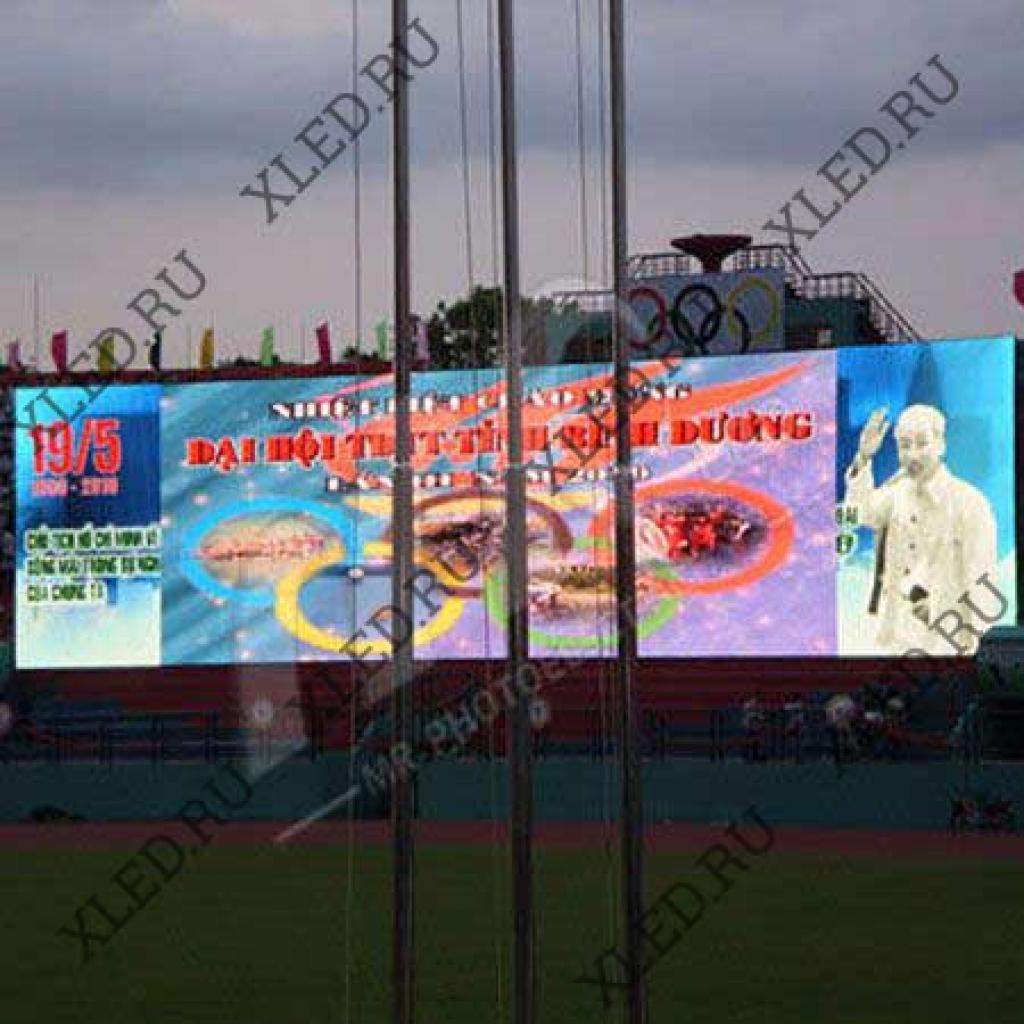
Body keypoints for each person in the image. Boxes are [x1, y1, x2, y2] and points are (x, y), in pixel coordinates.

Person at [844, 404, 998, 655]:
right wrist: (863, 457)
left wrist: (941, 611)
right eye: (904, 446)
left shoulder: (970, 504)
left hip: (945, 646)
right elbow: (860, 512)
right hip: (893, 643)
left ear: (941, 445)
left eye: (922, 443)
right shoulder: (895, 494)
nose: (912, 455)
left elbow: (983, 584)